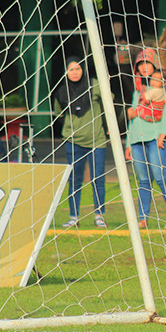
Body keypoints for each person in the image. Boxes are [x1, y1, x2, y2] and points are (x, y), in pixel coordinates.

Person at [125, 49, 166, 230]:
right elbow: (132, 117)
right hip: (137, 139)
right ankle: (143, 218)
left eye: (147, 63)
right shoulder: (138, 89)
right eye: (140, 64)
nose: (144, 67)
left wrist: (163, 133)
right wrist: (128, 143)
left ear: (155, 64)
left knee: (161, 176)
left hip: (158, 138)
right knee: (143, 180)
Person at [54, 56, 108, 229]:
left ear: (83, 69)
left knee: (97, 178)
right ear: (65, 72)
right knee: (74, 180)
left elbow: (109, 101)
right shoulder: (62, 91)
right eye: (71, 69)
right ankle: (73, 216)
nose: (75, 72)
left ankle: (99, 215)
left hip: (96, 140)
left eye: (77, 69)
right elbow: (58, 113)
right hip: (73, 140)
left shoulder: (95, 84)